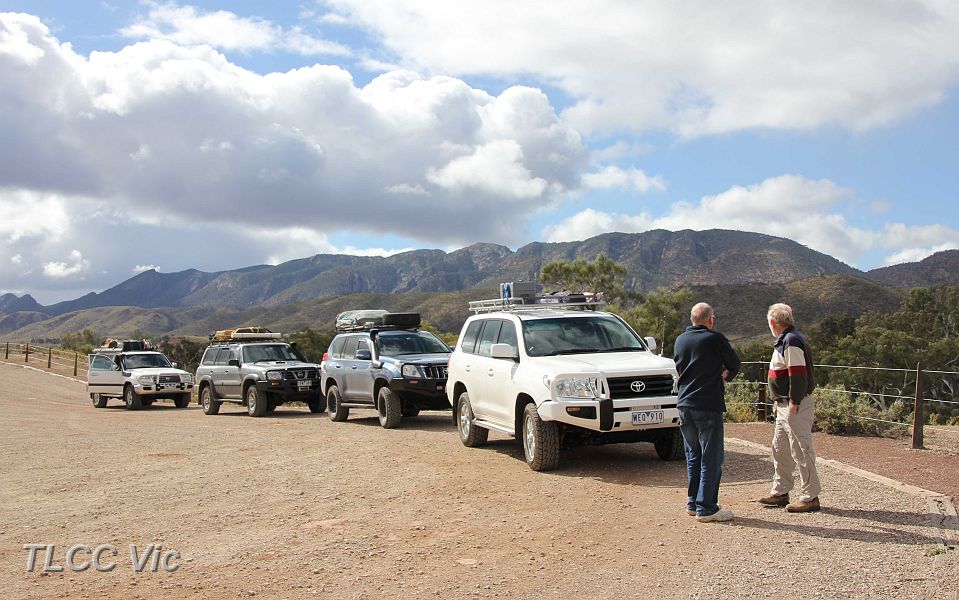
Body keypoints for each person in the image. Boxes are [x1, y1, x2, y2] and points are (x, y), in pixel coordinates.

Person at [673, 302, 741, 522]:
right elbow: (734, 363)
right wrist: (724, 375)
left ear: (692, 319)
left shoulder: (680, 340)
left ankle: (693, 502)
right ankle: (707, 507)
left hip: (684, 404)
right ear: (710, 319)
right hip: (707, 403)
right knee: (711, 457)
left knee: (693, 455)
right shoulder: (715, 338)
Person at [758, 303, 822, 513]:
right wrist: (780, 399)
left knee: (801, 449)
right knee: (781, 448)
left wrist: (794, 401)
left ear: (773, 322)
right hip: (785, 404)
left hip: (795, 405)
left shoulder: (791, 341)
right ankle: (781, 491)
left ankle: (810, 496)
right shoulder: (786, 340)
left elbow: (797, 373)